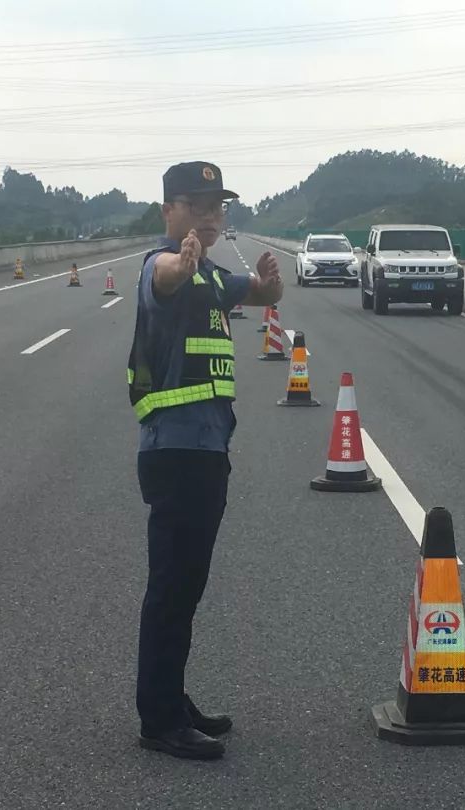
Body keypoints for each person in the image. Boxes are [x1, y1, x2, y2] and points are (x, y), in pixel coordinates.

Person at [126, 161, 283, 760]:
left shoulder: (215, 279)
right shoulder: (160, 266)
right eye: (198, 205)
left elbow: (263, 294)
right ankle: (159, 720)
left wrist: (271, 283)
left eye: (219, 206)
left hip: (207, 447)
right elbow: (164, 277)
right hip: (175, 449)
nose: (212, 215)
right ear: (170, 209)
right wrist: (179, 262)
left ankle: (173, 698)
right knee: (171, 587)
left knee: (187, 587)